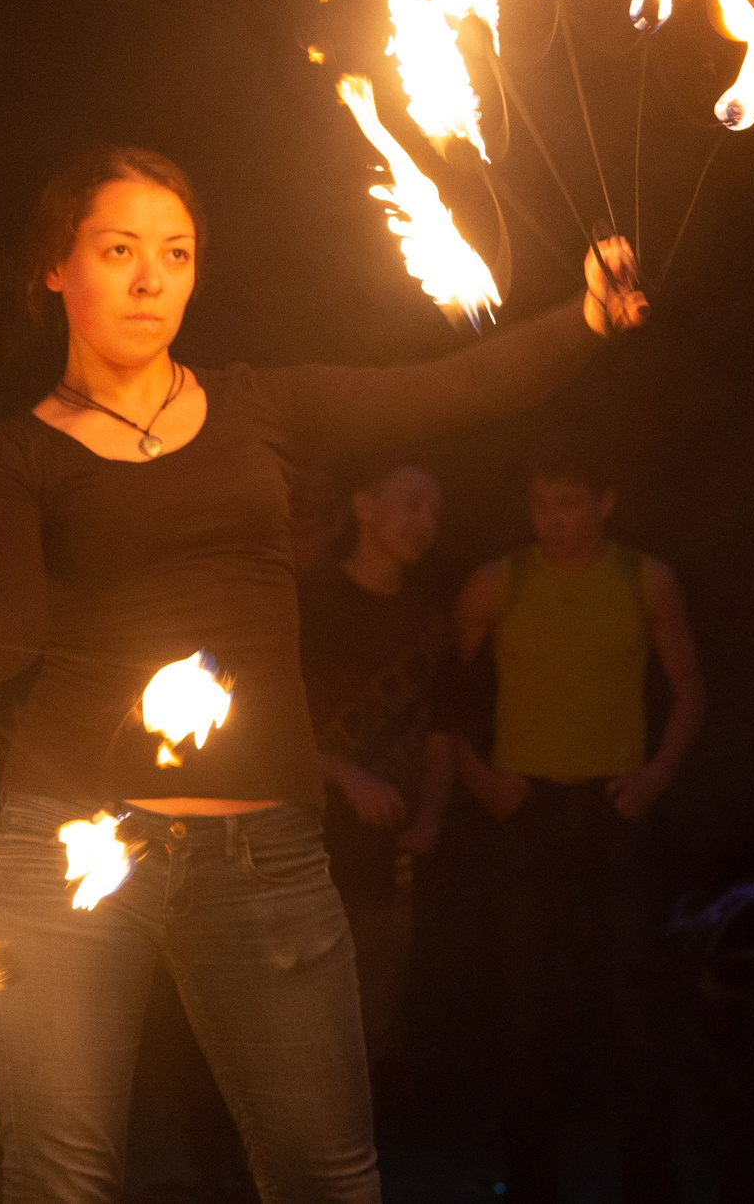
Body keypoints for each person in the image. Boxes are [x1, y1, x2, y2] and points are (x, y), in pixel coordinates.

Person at [0, 145, 648, 1204]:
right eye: (119, 250)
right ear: (56, 265)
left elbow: (449, 387)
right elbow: (11, 619)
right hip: (64, 842)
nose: (151, 279)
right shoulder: (17, 454)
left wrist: (583, 319)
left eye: (176, 253)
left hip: (263, 858)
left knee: (326, 1180)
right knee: (60, 1184)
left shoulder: (260, 408)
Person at [448, 434, 704, 1204]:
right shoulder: (497, 581)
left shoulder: (645, 578)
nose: (551, 519)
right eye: (539, 503)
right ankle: (532, 1186)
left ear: (603, 503)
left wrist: (656, 775)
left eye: (567, 503)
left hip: (610, 808)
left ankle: (649, 1187)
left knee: (633, 1012)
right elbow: (447, 700)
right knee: (522, 1018)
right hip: (525, 811)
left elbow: (691, 690)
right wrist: (481, 779)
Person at [295, 461, 458, 1086]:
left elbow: (443, 731)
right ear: (364, 507)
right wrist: (343, 773)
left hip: (389, 850)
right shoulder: (311, 605)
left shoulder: (430, 622)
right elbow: (262, 724)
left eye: (433, 511)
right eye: (410, 504)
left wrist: (432, 817)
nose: (424, 523)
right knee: (303, 1005)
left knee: (372, 1014)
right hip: (307, 839)